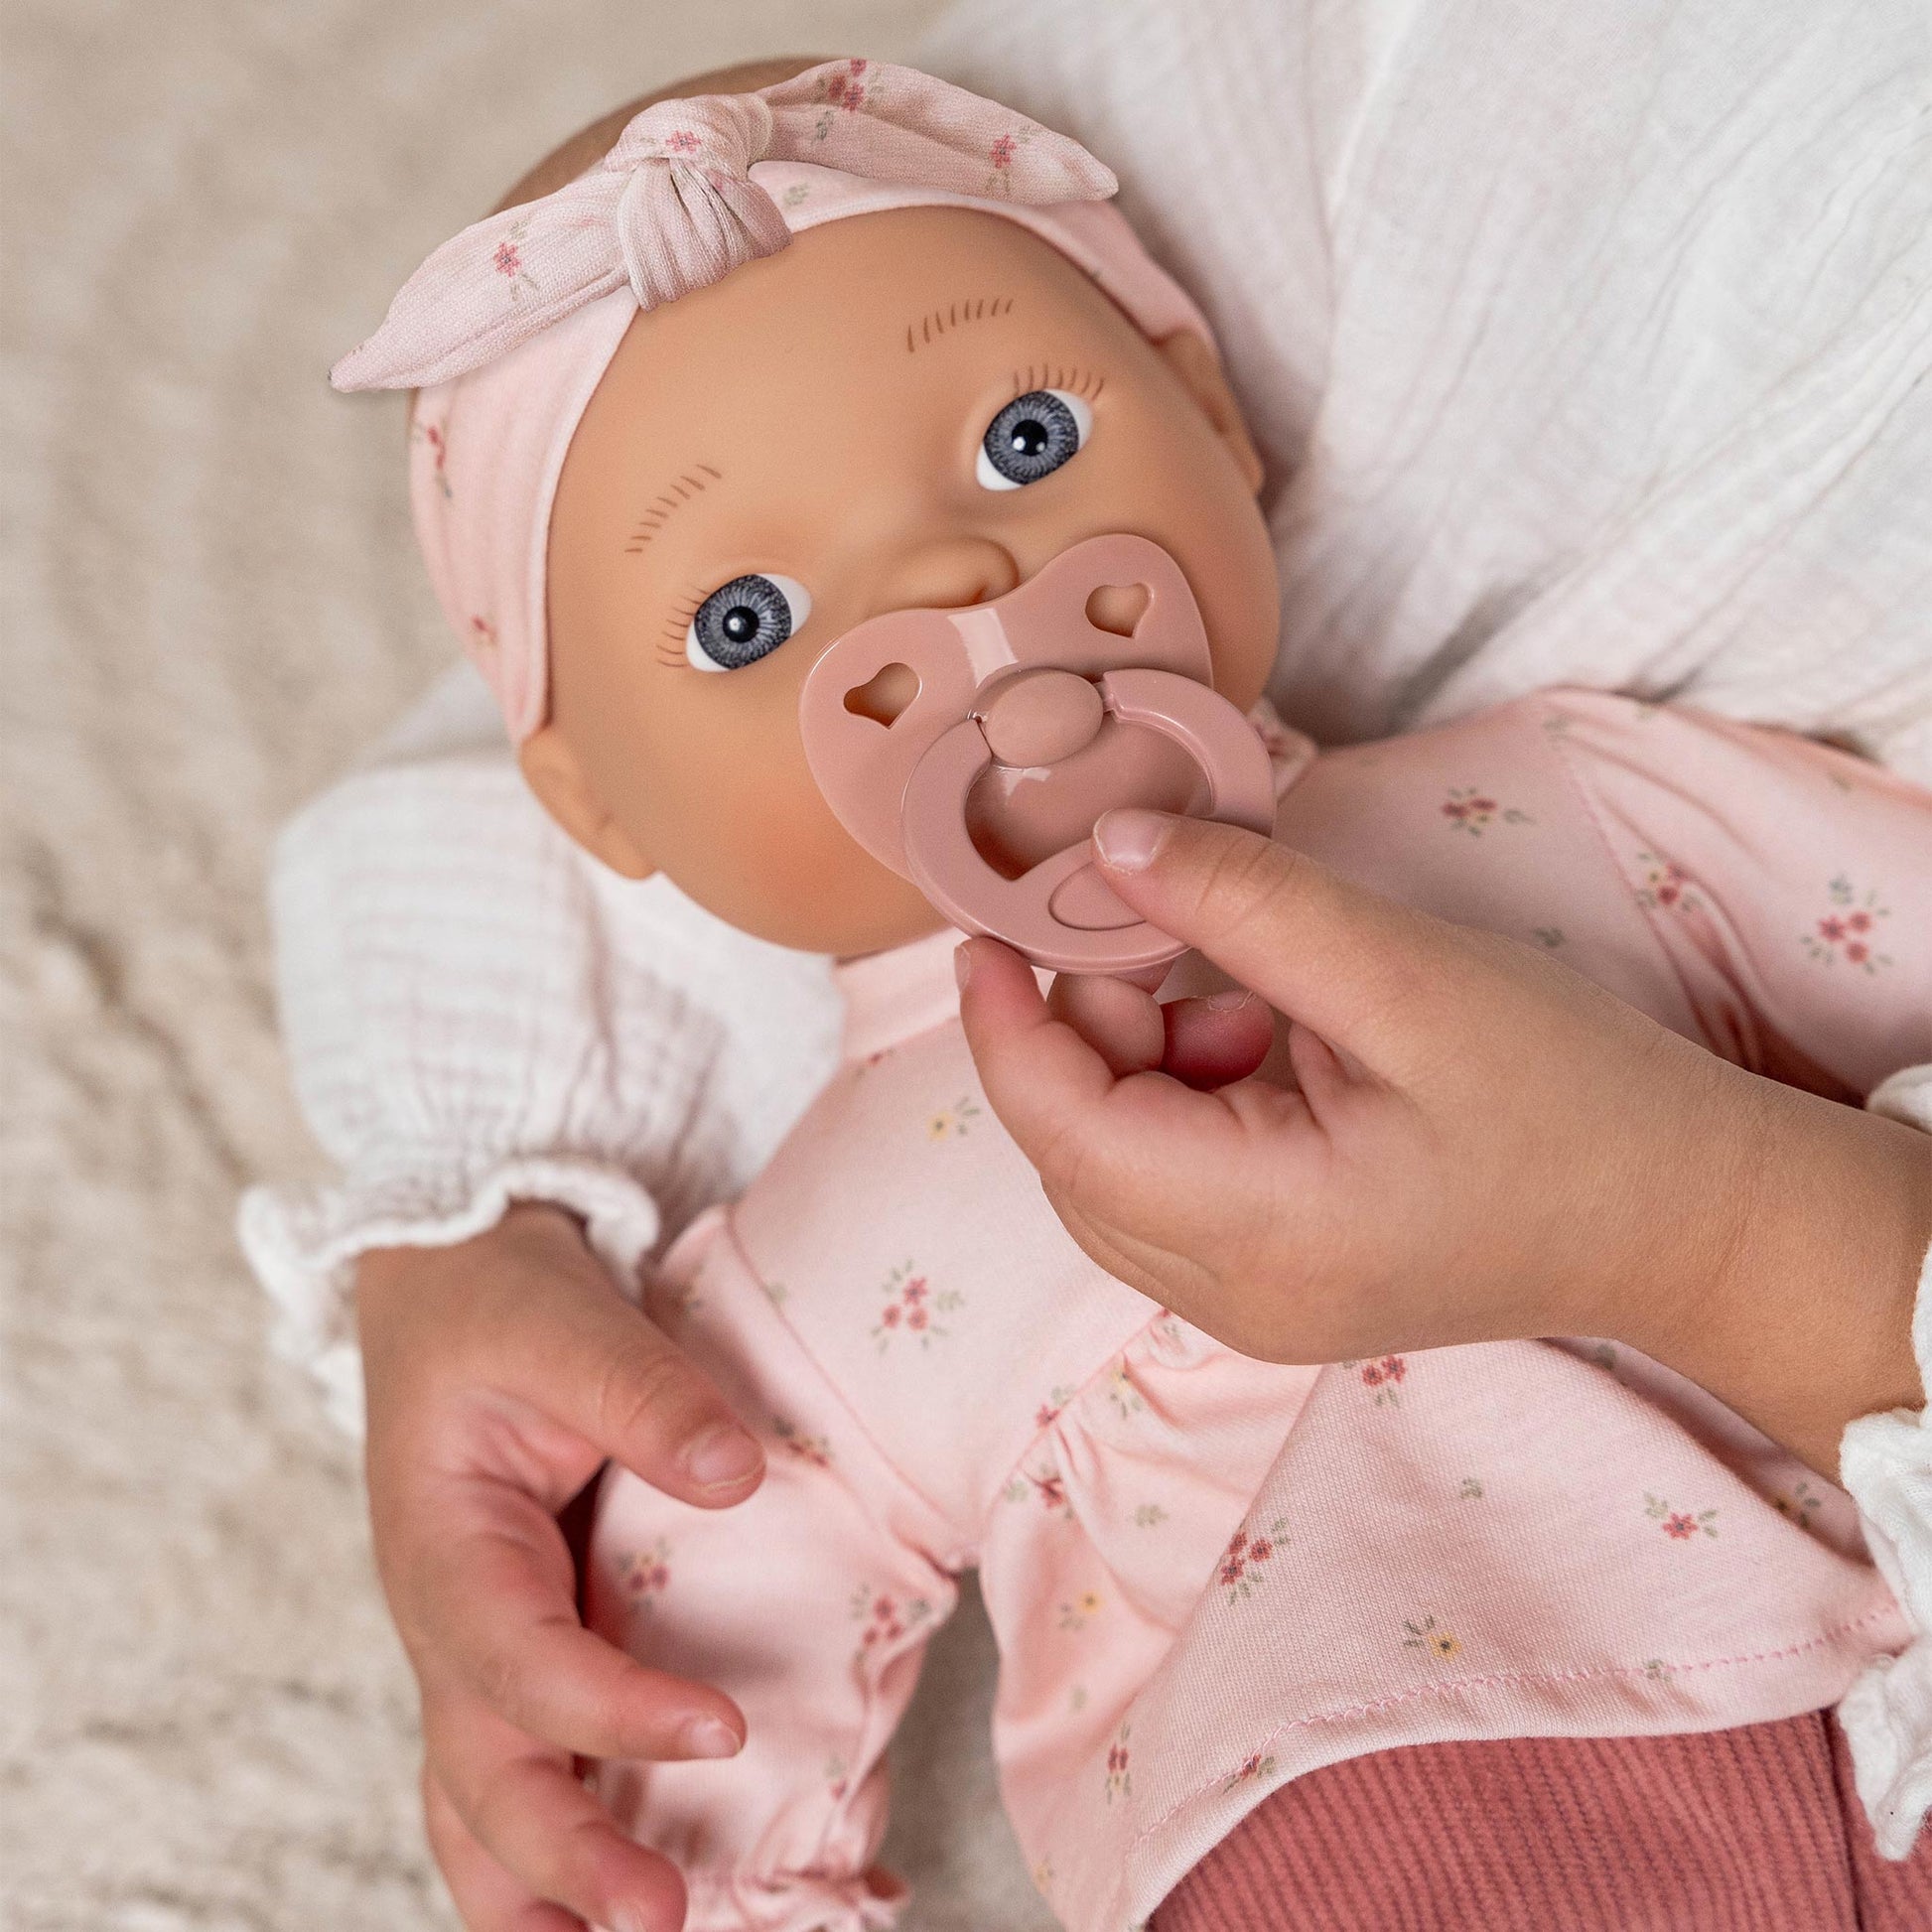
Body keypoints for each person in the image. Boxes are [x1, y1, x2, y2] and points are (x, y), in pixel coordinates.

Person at [247, 4, 1932, 1925]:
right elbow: (693, 1686)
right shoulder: (826, 1251)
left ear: (1215, 422)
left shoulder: (1569, 789)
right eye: (744, 617)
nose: (958, 588)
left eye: (1020, 439)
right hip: (1345, 1777)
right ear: (592, 812)